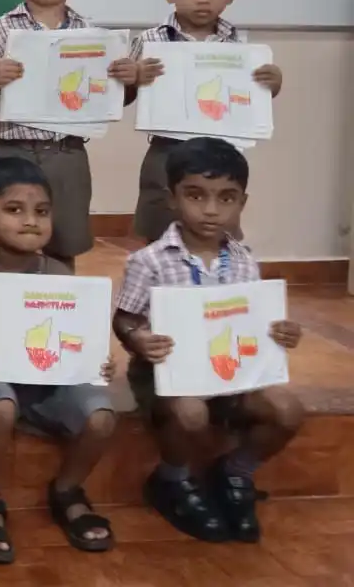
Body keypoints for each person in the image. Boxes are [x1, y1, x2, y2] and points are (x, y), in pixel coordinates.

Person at [113, 137, 303, 544]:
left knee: (287, 410)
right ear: (172, 198)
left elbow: (254, 320)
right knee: (191, 414)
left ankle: (235, 472)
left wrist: (279, 332)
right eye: (196, 196)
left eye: (226, 198)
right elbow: (125, 318)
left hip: (234, 374)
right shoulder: (149, 261)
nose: (212, 210)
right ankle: (172, 479)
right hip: (167, 375)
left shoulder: (245, 260)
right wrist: (138, 340)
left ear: (242, 203)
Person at [0, 156, 117, 565]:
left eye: (41, 212)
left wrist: (97, 359)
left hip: (51, 385)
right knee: (0, 402)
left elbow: (75, 334)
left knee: (103, 414)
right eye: (13, 209)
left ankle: (67, 490)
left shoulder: (60, 274)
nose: (30, 221)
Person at [0, 0, 136, 272]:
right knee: (7, 241)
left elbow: (110, 101)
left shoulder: (92, 36)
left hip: (67, 154)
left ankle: (62, 307)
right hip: (10, 151)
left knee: (64, 238)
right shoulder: (0, 29)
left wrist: (126, 82)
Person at [126, 0, 284, 242]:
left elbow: (249, 100)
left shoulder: (239, 46)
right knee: (157, 230)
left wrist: (272, 85)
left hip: (221, 153)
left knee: (220, 235)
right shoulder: (149, 41)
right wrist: (133, 78)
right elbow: (121, 98)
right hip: (166, 152)